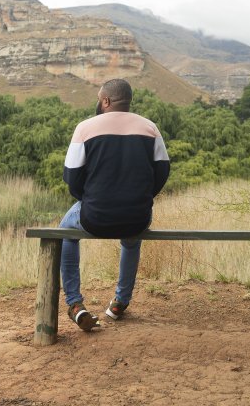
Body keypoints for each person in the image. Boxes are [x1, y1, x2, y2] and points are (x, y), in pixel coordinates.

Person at [59, 78, 170, 331]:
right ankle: (120, 302)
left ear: (106, 101)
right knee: (131, 241)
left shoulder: (85, 128)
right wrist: (143, 198)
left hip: (93, 216)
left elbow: (71, 177)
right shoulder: (150, 128)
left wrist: (87, 199)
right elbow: (163, 171)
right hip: (138, 216)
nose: (98, 102)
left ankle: (75, 304)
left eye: (99, 98)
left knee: (66, 233)